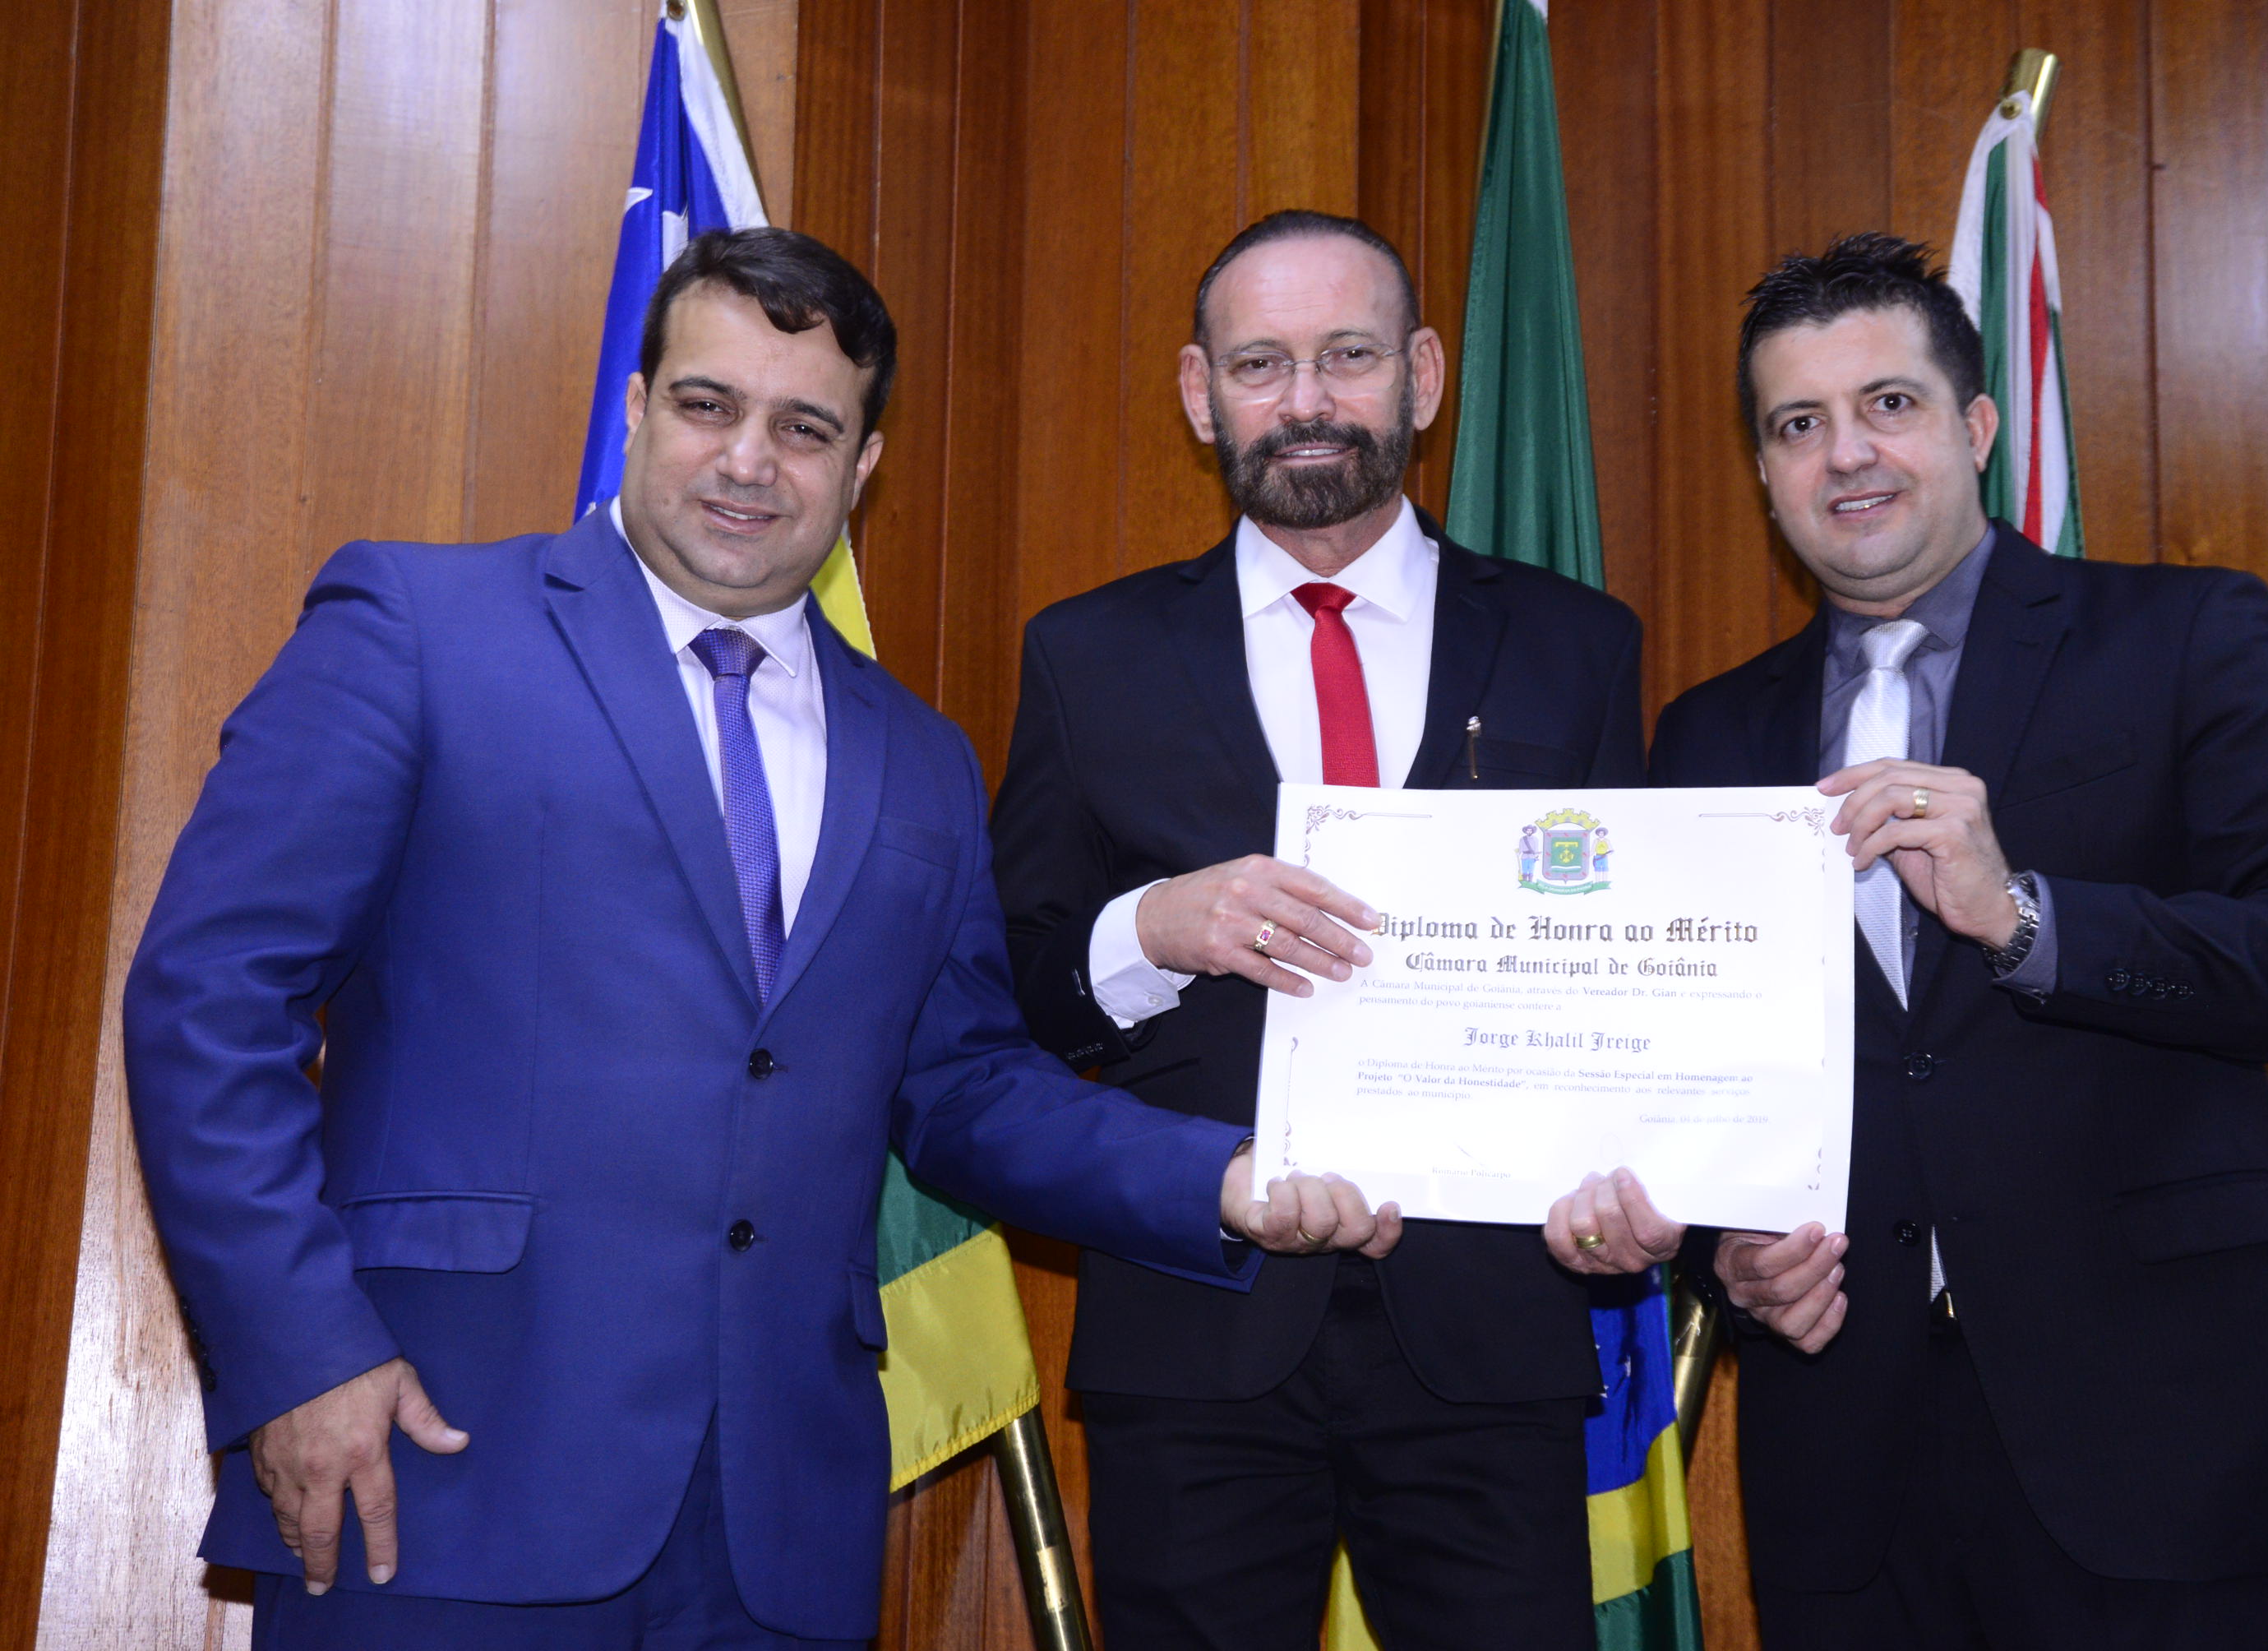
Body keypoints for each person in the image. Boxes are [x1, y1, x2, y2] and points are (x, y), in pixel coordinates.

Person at [123, 227, 1397, 1651]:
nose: (748, 461)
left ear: (862, 468)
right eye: (707, 404)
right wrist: (301, 1355)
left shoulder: (919, 757)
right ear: (636, 408)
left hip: (773, 1535)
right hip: (436, 1472)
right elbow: (207, 1000)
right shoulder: (421, 627)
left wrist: (1222, 1178)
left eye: (805, 428)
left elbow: (965, 1089)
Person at [1653, 232, 2268, 1649]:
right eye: (1798, 424)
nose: (1846, 454)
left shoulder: (2180, 636)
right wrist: (1722, 1256)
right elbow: (1684, 1076)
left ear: (1978, 427)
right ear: (1763, 471)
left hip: (2159, 1430)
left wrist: (2025, 917)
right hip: (1847, 1458)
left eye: (1889, 403)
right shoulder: (1706, 737)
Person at [989, 210, 1679, 1651]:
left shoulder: (1577, 644)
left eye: (1348, 356)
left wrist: (1642, 1186)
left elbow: (1631, 984)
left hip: (1491, 1335)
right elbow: (1018, 1000)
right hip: (1196, 1333)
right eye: (1262, 364)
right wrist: (1153, 928)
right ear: (1202, 395)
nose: (1305, 400)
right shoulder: (1087, 653)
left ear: (1422, 375)